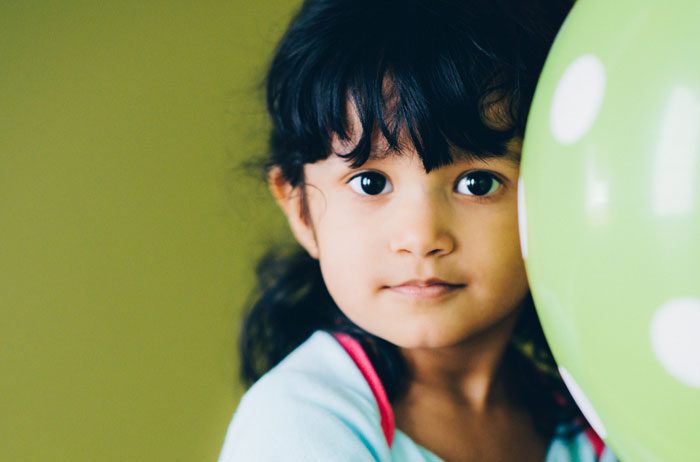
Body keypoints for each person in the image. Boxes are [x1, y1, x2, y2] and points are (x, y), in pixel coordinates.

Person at [219, 0, 618, 460]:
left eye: (478, 183)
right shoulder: (301, 423)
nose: (422, 236)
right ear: (299, 208)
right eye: (370, 183)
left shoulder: (590, 424)